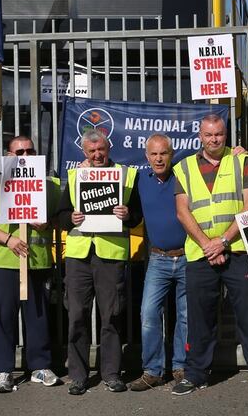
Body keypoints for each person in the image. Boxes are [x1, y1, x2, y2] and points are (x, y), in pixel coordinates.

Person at [171, 114, 248, 397]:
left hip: (237, 250)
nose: (214, 139)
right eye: (209, 135)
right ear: (200, 136)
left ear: (225, 134)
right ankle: (196, 374)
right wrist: (209, 245)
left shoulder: (241, 162)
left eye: (219, 134)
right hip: (200, 254)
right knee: (199, 319)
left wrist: (221, 241)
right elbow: (182, 212)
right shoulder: (183, 167)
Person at [56, 129, 141, 395]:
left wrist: (127, 214)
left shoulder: (125, 176)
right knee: (77, 315)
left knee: (111, 316)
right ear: (83, 152)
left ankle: (112, 374)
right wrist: (72, 218)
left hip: (110, 255)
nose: (97, 155)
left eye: (101, 150)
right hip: (79, 255)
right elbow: (59, 216)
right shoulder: (74, 176)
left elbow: (138, 215)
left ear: (108, 147)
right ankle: (78, 376)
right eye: (91, 151)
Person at [0, 136, 62, 393]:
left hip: (38, 261)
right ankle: (4, 370)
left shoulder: (50, 185)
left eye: (29, 150)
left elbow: (62, 218)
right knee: (2, 317)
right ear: (8, 156)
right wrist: (9, 239)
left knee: (38, 316)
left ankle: (40, 367)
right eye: (19, 151)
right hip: (3, 262)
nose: (24, 154)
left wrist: (47, 222)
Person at [129, 134, 188, 391]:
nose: (158, 158)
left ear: (172, 154)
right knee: (149, 314)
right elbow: (132, 216)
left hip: (187, 256)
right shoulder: (140, 179)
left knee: (186, 316)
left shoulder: (185, 175)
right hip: (157, 258)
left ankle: (181, 367)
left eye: (163, 153)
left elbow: (213, 156)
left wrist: (235, 153)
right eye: (153, 154)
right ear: (146, 156)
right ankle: (152, 371)